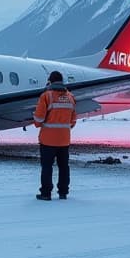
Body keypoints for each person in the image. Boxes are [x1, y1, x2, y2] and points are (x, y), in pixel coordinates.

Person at [33, 70, 77, 201]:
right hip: (64, 140)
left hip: (48, 140)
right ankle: (63, 192)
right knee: (64, 167)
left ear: (50, 81)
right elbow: (73, 119)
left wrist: (35, 120)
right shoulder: (70, 97)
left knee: (47, 167)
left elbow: (39, 119)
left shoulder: (46, 96)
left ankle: (46, 193)